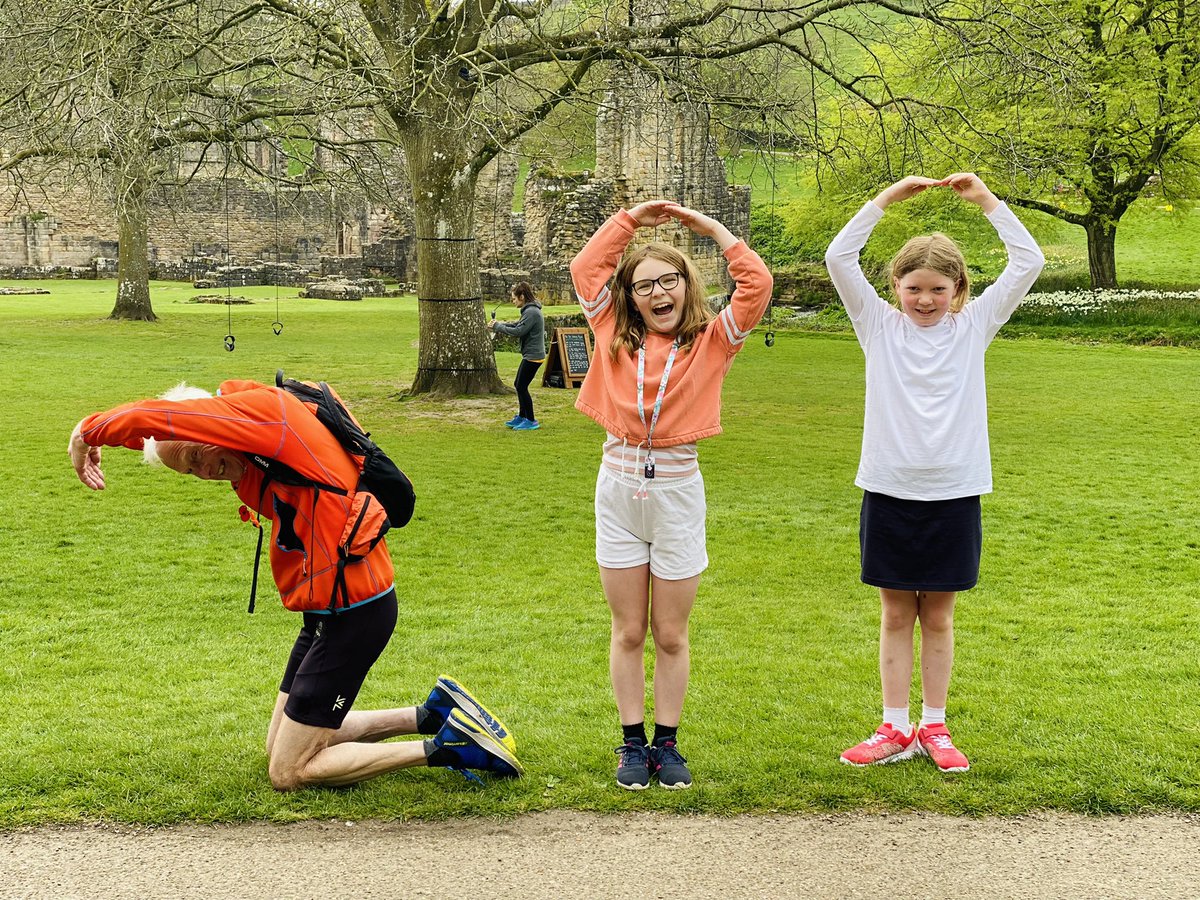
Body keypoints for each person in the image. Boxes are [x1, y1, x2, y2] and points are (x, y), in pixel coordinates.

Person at [68, 378, 523, 791]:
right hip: (323, 614)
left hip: (354, 612)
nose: (204, 474)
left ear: (212, 429)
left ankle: (455, 747)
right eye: (189, 473)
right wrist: (124, 441)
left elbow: (167, 417)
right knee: (280, 746)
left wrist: (89, 432)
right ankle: (432, 713)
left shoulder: (267, 420)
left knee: (289, 771)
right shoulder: (250, 441)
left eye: (195, 459)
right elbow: (168, 430)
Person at [825, 173, 1044, 773]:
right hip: (890, 489)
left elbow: (1028, 260)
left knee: (939, 615)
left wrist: (986, 203)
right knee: (896, 613)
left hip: (954, 490)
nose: (925, 299)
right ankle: (895, 727)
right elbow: (838, 256)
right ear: (894, 286)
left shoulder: (974, 327)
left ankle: (935, 725)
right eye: (913, 287)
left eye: (938, 289)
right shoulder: (878, 326)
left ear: (959, 289)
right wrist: (885, 199)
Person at [570, 201, 772, 790]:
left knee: (671, 634)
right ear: (629, 297)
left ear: (686, 285)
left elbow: (756, 284)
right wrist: (630, 218)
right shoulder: (610, 332)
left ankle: (668, 744)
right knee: (629, 630)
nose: (659, 293)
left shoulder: (714, 340)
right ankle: (632, 745)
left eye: (670, 281)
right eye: (644, 286)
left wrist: (707, 227)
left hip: (678, 493)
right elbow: (587, 268)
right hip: (618, 489)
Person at [488, 281, 545, 430]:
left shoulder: (532, 312)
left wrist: (498, 327)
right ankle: (522, 416)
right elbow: (518, 326)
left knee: (521, 386)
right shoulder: (529, 311)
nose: (513, 302)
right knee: (518, 385)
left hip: (534, 356)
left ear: (522, 296)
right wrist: (500, 324)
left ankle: (531, 420)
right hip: (530, 355)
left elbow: (519, 331)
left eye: (514, 299)